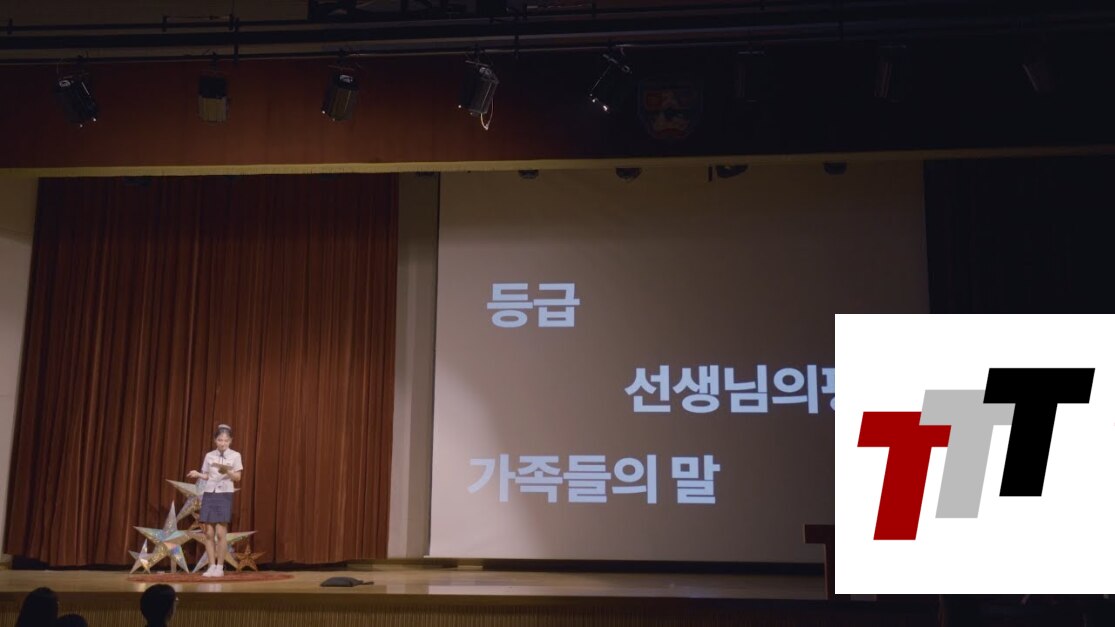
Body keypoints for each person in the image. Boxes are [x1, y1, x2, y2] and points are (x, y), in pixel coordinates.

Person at [186, 423, 244, 578]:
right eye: (220, 440)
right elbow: (207, 475)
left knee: (220, 533)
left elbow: (238, 477)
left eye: (226, 440)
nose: (223, 443)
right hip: (209, 494)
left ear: (230, 441)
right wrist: (198, 474)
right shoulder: (209, 455)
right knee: (209, 533)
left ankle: (220, 567)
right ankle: (211, 566)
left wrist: (228, 471)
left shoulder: (235, 455)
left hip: (224, 494)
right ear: (215, 440)